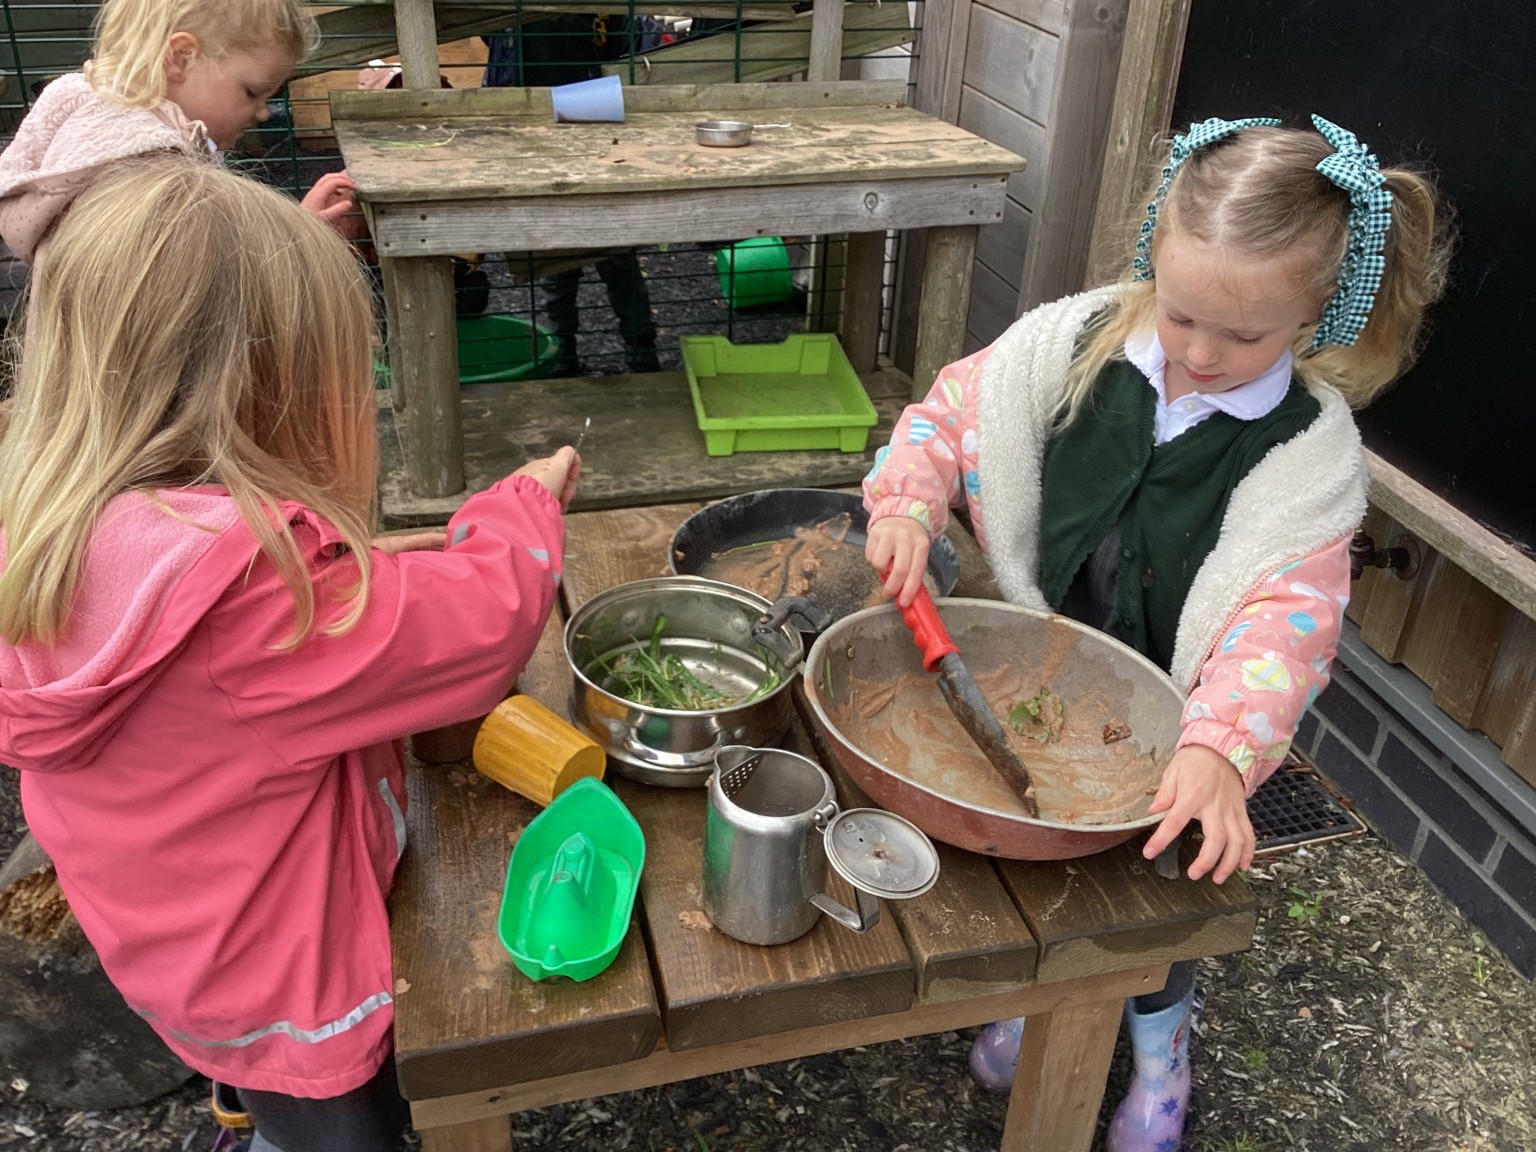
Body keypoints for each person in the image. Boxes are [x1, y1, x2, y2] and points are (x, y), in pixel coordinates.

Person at [863, 115, 1448, 1151]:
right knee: (1036, 848)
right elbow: (952, 414)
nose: (1202, 354)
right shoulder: (1072, 343)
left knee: (1158, 885)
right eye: (1180, 317)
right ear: (1151, 260)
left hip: (1183, 716)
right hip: (1044, 671)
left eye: (1246, 335)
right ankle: (1036, 1001)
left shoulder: (1308, 458)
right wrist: (911, 500)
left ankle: (1160, 1046)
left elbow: (1283, 627)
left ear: (1321, 312)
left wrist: (1222, 751)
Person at [0, 155, 580, 1151]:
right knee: (345, 1129)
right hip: (299, 986)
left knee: (266, 1085)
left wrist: (340, 567)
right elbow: (481, 628)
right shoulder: (255, 598)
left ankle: (247, 1107)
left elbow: (220, 637)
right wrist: (521, 504)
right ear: (268, 400)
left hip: (180, 947)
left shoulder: (42, 519)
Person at [0, 0, 356, 263]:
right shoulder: (146, 166)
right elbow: (208, 279)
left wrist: (297, 228)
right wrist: (297, 243)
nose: (263, 112)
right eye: (252, 91)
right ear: (181, 58)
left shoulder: (113, 130)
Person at [482, 17, 663, 377]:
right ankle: (618, 355)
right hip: (563, 120)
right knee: (586, 256)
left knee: (596, 255)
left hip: (581, 118)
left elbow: (626, 42)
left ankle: (579, 354)